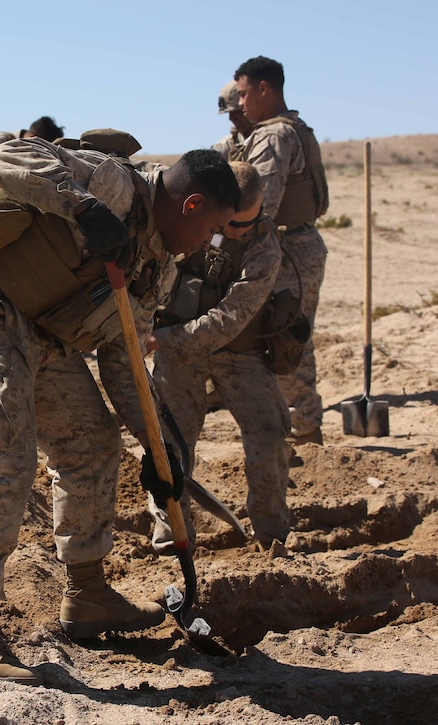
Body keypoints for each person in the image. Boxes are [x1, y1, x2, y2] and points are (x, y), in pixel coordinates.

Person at [0, 136, 240, 684]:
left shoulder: (159, 263)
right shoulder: (114, 184)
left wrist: (160, 449)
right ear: (191, 205)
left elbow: (125, 363)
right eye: (209, 229)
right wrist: (83, 206)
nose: (203, 244)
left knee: (92, 442)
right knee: (7, 456)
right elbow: (9, 156)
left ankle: (87, 593)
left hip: (43, 335)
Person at [149, 161, 292, 549]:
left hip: (236, 353)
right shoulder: (188, 221)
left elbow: (229, 320)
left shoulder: (264, 248)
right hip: (177, 353)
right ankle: (171, 535)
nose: (236, 232)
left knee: (269, 434)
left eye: (246, 223)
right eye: (230, 224)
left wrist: (164, 339)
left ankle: (272, 532)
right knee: (170, 444)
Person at [235, 55, 330, 447]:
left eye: (243, 94)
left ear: (263, 89)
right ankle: (300, 424)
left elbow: (261, 205)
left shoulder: (274, 136)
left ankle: (304, 426)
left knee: (284, 335)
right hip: (298, 244)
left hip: (286, 249)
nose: (240, 104)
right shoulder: (294, 128)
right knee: (287, 334)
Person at [212, 80, 253, 161]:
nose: (231, 118)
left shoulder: (272, 137)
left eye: (236, 112)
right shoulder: (227, 146)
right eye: (230, 113)